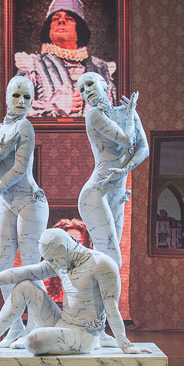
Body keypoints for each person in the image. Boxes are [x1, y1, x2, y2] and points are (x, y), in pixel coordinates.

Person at [0, 228, 150, 355]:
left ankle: (41, 337)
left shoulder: (102, 264)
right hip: (61, 322)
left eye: (54, 259)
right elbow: (21, 273)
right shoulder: (60, 261)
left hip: (85, 335)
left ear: (65, 248)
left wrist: (125, 345)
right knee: (24, 286)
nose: (52, 264)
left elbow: (111, 307)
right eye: (49, 260)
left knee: (33, 340)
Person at [0, 75, 49, 347]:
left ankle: (36, 324)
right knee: (2, 265)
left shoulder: (25, 126)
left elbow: (20, 168)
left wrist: (0, 185)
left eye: (27, 97)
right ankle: (15, 325)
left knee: (30, 265)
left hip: (30, 200)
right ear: (6, 97)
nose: (21, 101)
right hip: (7, 200)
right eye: (16, 95)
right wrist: (1, 152)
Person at [77, 72, 148, 268]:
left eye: (90, 84)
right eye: (82, 90)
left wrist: (125, 170)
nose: (86, 91)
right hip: (96, 192)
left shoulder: (125, 112)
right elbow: (127, 140)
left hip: (117, 192)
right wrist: (130, 114)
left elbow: (144, 149)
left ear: (104, 84)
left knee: (110, 262)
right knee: (112, 259)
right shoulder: (93, 115)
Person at [15, 0, 116, 117]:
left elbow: (114, 115)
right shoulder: (32, 65)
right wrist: (55, 107)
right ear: (49, 28)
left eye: (69, 19)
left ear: (79, 28)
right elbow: (16, 108)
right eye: (55, 18)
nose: (61, 21)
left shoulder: (101, 69)